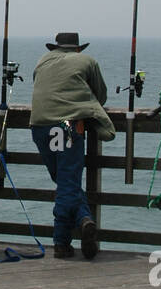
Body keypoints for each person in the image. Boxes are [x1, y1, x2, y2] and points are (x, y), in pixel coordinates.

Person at [30, 32, 114, 259]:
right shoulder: (87, 61)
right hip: (67, 127)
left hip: (40, 127)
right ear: (78, 49)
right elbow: (101, 95)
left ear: (55, 48)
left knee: (66, 181)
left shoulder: (42, 60)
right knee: (68, 183)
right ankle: (61, 242)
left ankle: (84, 220)